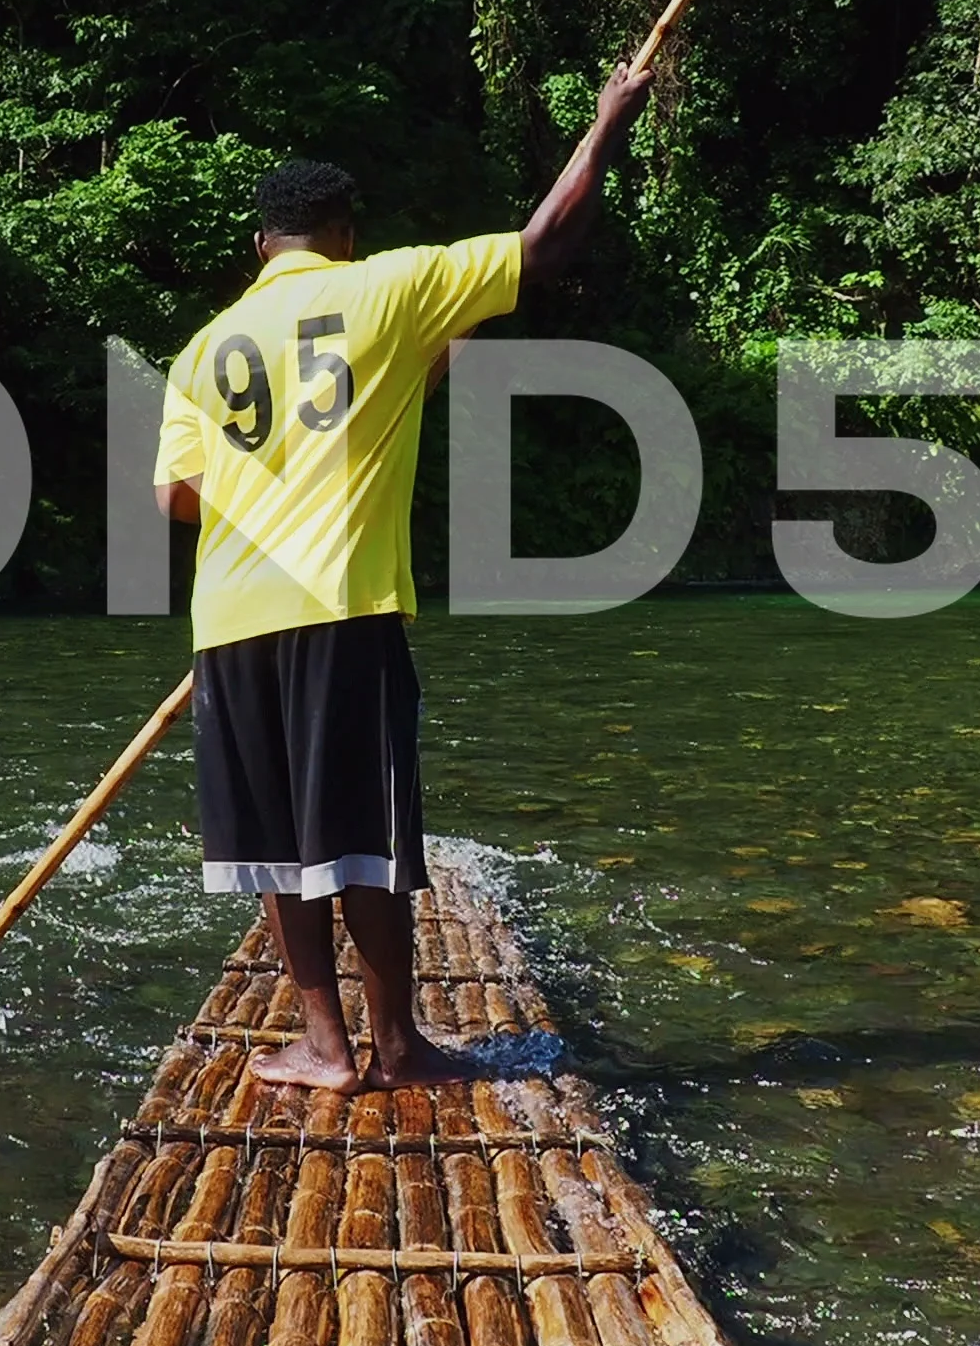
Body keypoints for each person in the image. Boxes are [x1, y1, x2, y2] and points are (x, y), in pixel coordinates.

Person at [154, 59, 653, 1089]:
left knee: (278, 852)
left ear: (261, 246)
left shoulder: (204, 349)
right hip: (341, 610)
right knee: (365, 844)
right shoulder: (388, 283)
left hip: (229, 622)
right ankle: (397, 1047)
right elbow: (547, 242)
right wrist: (607, 122)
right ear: (347, 232)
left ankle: (324, 1048)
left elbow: (179, 501)